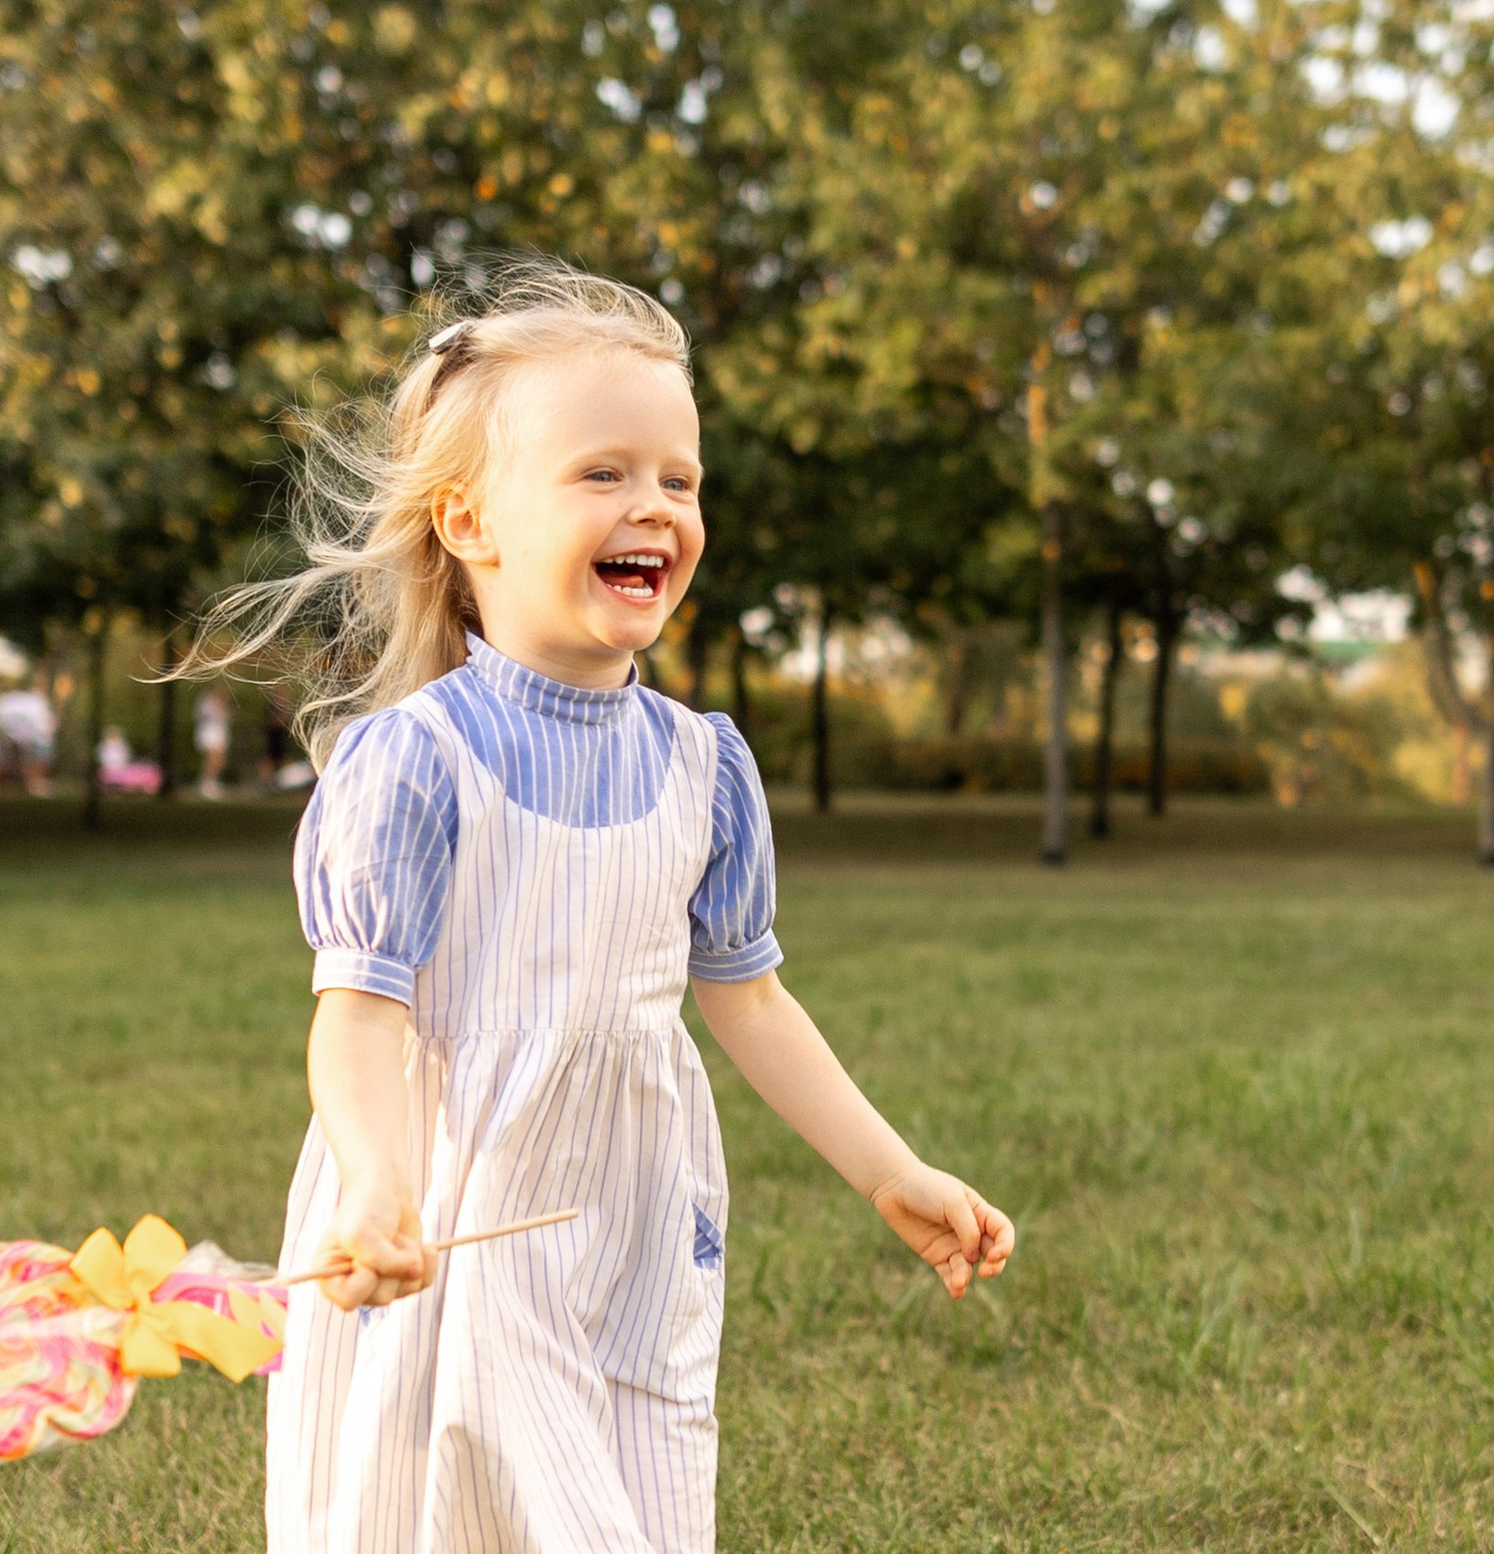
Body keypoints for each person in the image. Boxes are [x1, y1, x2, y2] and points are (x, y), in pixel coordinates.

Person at [182, 265, 1014, 1554]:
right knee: (457, 1504)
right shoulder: (417, 759)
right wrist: (374, 1183)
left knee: (634, 1479)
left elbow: (749, 995)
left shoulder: (703, 767)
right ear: (469, 525)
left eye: (679, 479)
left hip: (632, 1212)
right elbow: (361, 1016)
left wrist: (890, 1171)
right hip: (460, 1202)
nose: (656, 507)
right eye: (603, 474)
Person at [194, 688, 233, 798]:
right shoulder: (207, 702)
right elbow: (204, 716)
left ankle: (212, 781)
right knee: (212, 759)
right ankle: (207, 783)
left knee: (220, 760)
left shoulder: (223, 705)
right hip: (210, 735)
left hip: (219, 735)